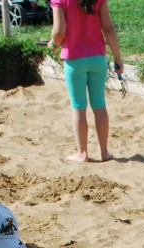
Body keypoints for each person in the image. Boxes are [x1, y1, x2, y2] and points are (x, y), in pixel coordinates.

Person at [48, 0, 124, 163]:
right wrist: (118, 57)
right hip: (97, 58)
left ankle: (82, 153)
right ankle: (104, 152)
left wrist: (53, 44)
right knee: (99, 105)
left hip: (75, 59)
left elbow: (59, 31)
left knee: (78, 106)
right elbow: (108, 28)